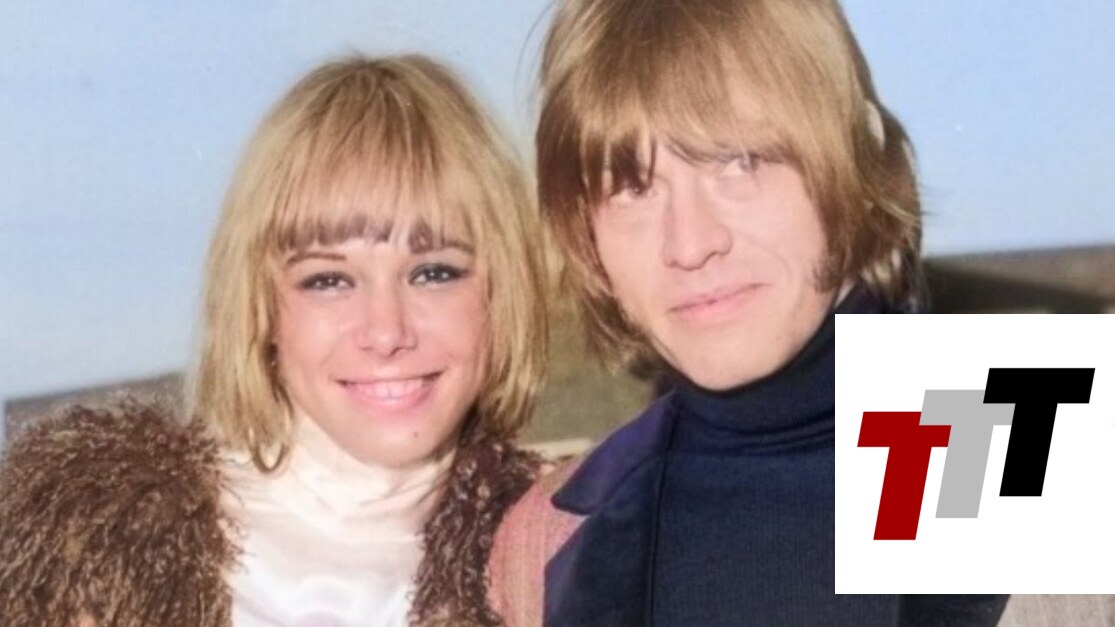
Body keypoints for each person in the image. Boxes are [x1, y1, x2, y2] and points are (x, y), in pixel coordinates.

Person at [488, 0, 1010, 625]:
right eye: (633, 187)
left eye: (739, 162)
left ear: (850, 156)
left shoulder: (1025, 440)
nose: (690, 243)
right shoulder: (545, 538)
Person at [0, 54, 547, 626]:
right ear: (259, 306)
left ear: (502, 289)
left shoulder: (566, 559)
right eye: (328, 280)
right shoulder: (95, 559)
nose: (386, 332)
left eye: (433, 272)